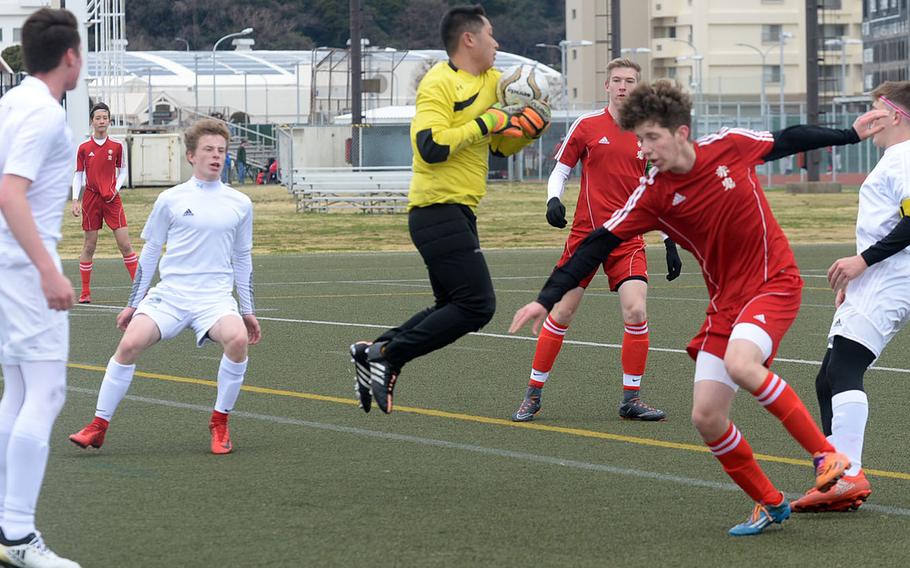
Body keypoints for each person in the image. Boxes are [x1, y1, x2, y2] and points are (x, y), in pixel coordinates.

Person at [509, 80, 888, 536]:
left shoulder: (730, 146)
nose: (644, 150)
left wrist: (849, 134)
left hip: (774, 284)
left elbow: (788, 139)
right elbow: (595, 245)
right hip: (726, 305)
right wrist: (545, 298)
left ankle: (827, 456)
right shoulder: (652, 193)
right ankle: (769, 502)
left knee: (742, 364)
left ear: (682, 133)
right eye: (639, 140)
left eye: (652, 138)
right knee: (706, 416)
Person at [349, 4, 550, 414]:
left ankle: (372, 350)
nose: (498, 43)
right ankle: (389, 356)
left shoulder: (497, 82)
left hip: (459, 212)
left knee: (453, 306)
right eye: (491, 34)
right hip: (435, 208)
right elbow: (432, 147)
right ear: (469, 39)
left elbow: (497, 145)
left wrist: (527, 130)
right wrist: (490, 120)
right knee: (478, 305)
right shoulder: (439, 82)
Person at [68, 119, 261, 455]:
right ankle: (98, 426)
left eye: (221, 151)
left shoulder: (240, 203)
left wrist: (247, 311)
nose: (216, 156)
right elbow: (151, 252)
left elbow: (243, 260)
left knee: (238, 338)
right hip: (170, 296)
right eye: (208, 150)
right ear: (191, 156)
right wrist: (133, 302)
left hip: (214, 299)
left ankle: (220, 422)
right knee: (129, 343)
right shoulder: (170, 199)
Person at [510, 57, 681, 423]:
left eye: (630, 80)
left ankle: (631, 399)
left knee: (636, 311)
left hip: (628, 238)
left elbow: (661, 188)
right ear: (607, 86)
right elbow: (560, 170)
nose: (623, 86)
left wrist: (669, 239)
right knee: (563, 312)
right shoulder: (587, 126)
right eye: (617, 80)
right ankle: (533, 394)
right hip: (586, 238)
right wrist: (552, 200)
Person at [790, 81, 910, 513]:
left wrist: (861, 264)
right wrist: (856, 280)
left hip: (890, 277)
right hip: (877, 279)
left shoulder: (905, 156)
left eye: (876, 110)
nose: (869, 117)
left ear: (895, 115)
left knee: (844, 368)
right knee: (828, 378)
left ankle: (848, 473)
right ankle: (836, 477)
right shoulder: (894, 159)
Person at [0, 8, 82, 568]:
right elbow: (10, 192)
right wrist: (48, 269)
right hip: (25, 268)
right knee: (47, 392)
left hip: (8, 265)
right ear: (70, 56)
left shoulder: (11, 102)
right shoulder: (44, 113)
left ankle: (6, 523)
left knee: (21, 393)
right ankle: (18, 534)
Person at [71, 102, 137, 304]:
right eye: (98, 118)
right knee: (90, 245)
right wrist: (75, 199)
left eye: (105, 118)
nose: (101, 121)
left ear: (109, 121)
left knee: (125, 244)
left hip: (112, 200)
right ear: (92, 121)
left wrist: (114, 189)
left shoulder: (117, 145)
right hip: (91, 199)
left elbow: (123, 170)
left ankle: (140, 291)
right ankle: (85, 292)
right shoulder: (83, 147)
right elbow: (78, 174)